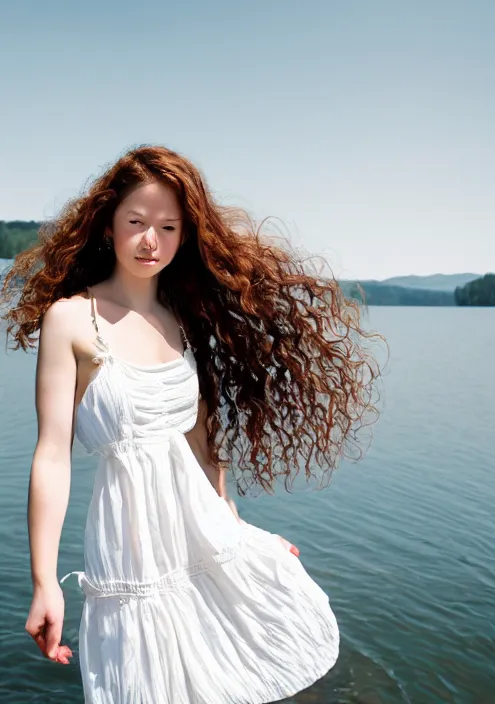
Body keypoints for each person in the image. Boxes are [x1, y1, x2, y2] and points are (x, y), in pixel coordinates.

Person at [2, 145, 380, 703]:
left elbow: (205, 449)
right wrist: (43, 583)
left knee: (226, 679)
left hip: (200, 540)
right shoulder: (71, 319)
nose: (150, 239)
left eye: (168, 226)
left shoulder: (182, 320)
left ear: (184, 236)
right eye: (136, 222)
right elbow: (52, 456)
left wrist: (240, 531)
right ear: (109, 225)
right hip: (129, 548)